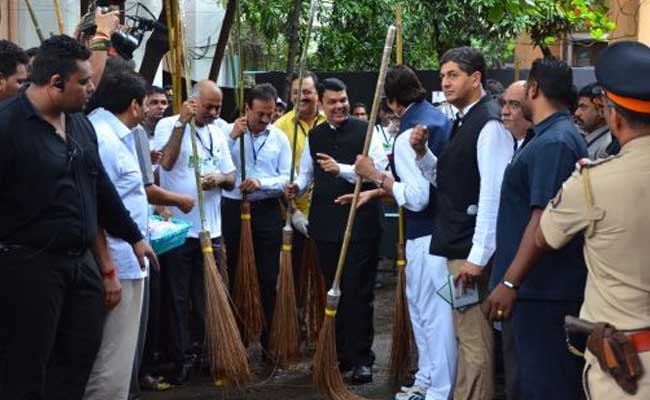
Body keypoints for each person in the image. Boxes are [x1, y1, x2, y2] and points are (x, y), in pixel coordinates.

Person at [486, 41, 650, 399]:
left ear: (614, 115)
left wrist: (510, 283)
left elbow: (543, 230)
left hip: (622, 360)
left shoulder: (591, 180)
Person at [0, 35, 157, 400]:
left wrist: (134, 236)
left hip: (80, 265)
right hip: (27, 270)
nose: (92, 89)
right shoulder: (8, 127)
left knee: (78, 358)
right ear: (56, 83)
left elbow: (99, 187)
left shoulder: (80, 124)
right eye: (84, 82)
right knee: (26, 367)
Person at [345, 65, 456, 400]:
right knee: (426, 313)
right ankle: (427, 379)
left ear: (392, 103)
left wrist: (376, 176)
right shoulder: (437, 119)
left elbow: (419, 197)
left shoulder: (412, 131)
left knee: (430, 315)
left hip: (428, 236)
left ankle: (438, 389)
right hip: (436, 234)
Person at [484, 57, 589, 400]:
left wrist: (510, 281)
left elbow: (542, 218)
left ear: (534, 89)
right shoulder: (543, 138)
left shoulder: (555, 142)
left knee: (544, 386)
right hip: (533, 290)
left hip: (542, 292)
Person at [412, 47, 513, 400]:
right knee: (467, 334)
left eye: (453, 74)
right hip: (460, 246)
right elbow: (452, 180)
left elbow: (493, 195)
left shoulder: (489, 124)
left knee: (474, 338)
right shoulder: (466, 121)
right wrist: (424, 156)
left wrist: (477, 257)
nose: (445, 81)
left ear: (475, 78)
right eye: (443, 75)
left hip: (470, 252)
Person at [286, 78, 388, 384]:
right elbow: (307, 174)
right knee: (335, 291)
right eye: (332, 102)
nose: (339, 106)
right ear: (320, 103)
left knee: (359, 292)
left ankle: (362, 358)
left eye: (342, 100)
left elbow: (380, 172)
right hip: (326, 226)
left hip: (361, 224)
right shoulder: (315, 136)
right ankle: (342, 354)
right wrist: (296, 186)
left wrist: (341, 169)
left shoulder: (365, 131)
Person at [154, 80, 236, 384]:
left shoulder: (218, 131)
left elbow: (231, 176)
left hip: (211, 231)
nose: (214, 113)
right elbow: (166, 162)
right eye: (209, 107)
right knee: (177, 297)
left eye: (218, 107)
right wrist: (181, 125)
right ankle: (181, 358)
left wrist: (220, 178)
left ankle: (211, 355)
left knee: (209, 297)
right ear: (192, 102)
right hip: (179, 232)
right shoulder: (168, 125)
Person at [83, 69, 151, 400]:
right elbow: (95, 209)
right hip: (116, 265)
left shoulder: (110, 133)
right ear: (135, 105)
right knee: (113, 359)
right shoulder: (105, 140)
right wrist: (109, 270)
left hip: (124, 262)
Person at [221, 83, 292, 350]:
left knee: (267, 275)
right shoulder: (226, 133)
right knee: (233, 273)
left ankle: (269, 341)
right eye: (260, 113)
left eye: (270, 114)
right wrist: (230, 138)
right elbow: (214, 165)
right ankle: (235, 339)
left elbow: (287, 177)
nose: (265, 120)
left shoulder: (279, 138)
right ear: (247, 108)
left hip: (266, 212)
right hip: (233, 210)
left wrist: (261, 183)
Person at [274, 71, 327, 286]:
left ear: (317, 94)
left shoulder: (329, 122)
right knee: (296, 277)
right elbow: (278, 176)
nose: (301, 97)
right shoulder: (280, 128)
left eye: (307, 92)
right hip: (293, 215)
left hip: (326, 212)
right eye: (296, 92)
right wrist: (293, 211)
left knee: (324, 276)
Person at [574, 82, 614, 159]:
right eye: (578, 107)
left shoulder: (607, 145)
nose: (577, 113)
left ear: (602, 112)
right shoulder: (589, 137)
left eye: (583, 107)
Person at [502, 80, 532, 152]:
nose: (505, 112)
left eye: (514, 105)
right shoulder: (511, 143)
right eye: (504, 103)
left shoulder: (538, 148)